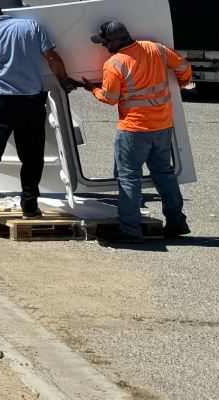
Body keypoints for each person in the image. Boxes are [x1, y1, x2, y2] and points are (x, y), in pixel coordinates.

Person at [0, 0, 74, 221]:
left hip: (1, 102)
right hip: (31, 102)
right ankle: (29, 205)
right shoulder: (30, 26)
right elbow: (52, 57)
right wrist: (64, 80)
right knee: (32, 157)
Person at [78, 20, 193, 243]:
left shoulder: (115, 63)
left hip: (134, 130)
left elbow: (110, 99)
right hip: (162, 126)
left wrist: (91, 88)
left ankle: (130, 229)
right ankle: (177, 222)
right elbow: (183, 67)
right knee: (164, 174)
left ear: (118, 40)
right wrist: (182, 83)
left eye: (105, 43)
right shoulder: (156, 49)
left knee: (129, 177)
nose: (103, 46)